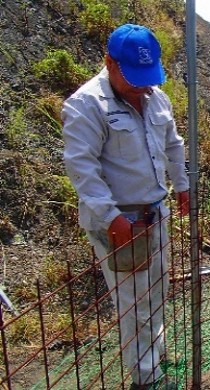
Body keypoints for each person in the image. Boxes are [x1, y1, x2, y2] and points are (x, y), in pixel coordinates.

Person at [62, 23, 188, 390]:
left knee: (158, 287)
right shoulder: (87, 104)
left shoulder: (156, 97)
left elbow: (173, 144)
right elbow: (81, 168)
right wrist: (111, 217)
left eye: (148, 77)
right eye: (135, 78)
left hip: (155, 210)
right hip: (121, 219)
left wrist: (181, 185)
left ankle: (155, 352)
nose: (143, 86)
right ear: (109, 63)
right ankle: (146, 379)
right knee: (134, 302)